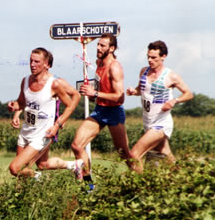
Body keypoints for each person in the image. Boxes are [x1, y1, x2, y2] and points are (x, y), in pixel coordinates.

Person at [7, 48, 83, 179]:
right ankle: (74, 165)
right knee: (41, 165)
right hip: (26, 130)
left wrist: (58, 124)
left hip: (43, 133)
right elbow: (21, 102)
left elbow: (71, 104)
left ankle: (42, 180)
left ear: (47, 64)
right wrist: (14, 106)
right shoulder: (25, 81)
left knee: (15, 168)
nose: (32, 64)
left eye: (36, 61)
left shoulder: (55, 84)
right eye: (31, 61)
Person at [71, 33, 131, 188]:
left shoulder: (115, 67)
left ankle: (145, 183)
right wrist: (91, 94)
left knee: (124, 154)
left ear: (112, 48)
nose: (98, 47)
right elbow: (99, 87)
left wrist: (95, 93)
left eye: (102, 45)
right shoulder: (99, 63)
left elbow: (120, 97)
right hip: (99, 110)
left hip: (114, 112)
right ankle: (89, 186)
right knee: (77, 146)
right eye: (98, 44)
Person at [126, 40, 192, 173]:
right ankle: (184, 180)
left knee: (134, 155)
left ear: (163, 56)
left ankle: (140, 186)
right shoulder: (143, 72)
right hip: (148, 122)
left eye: (154, 57)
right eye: (148, 57)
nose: (150, 60)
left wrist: (175, 101)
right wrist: (134, 91)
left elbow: (188, 94)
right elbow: (141, 90)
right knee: (167, 155)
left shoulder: (171, 76)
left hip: (162, 123)